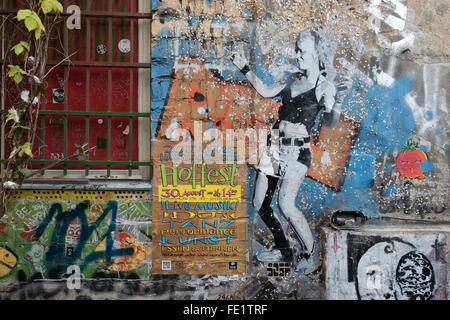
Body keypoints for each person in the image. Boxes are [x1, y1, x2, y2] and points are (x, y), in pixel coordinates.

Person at [231, 28, 344, 264]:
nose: (297, 55)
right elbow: (264, 91)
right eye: (297, 50)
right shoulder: (293, 78)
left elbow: (331, 123)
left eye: (302, 51)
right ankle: (284, 250)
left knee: (285, 204)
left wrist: (338, 104)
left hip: (297, 151)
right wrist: (244, 67)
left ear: (316, 53)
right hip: (274, 146)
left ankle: (310, 253)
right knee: (259, 203)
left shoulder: (325, 87)